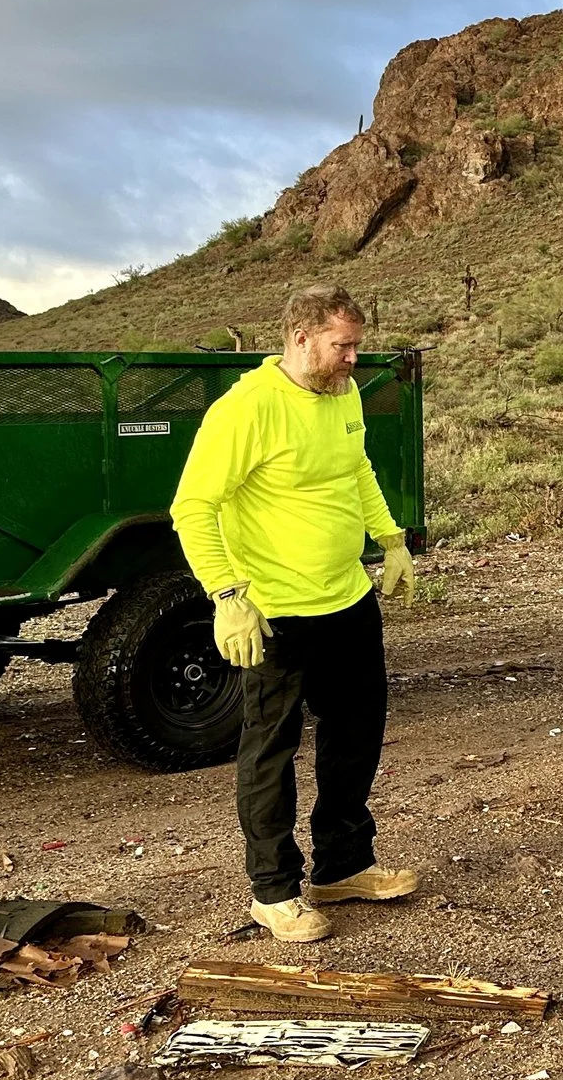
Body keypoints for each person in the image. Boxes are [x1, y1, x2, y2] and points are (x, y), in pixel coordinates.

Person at [171, 284, 419, 945]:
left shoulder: (343, 394)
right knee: (270, 751)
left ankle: (344, 866)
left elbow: (356, 470)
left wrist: (391, 539)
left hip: (348, 599)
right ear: (301, 338)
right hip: (276, 611)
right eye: (343, 346)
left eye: (357, 346)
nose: (354, 359)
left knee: (356, 734)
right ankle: (274, 891)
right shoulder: (246, 409)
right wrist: (227, 597)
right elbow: (193, 508)